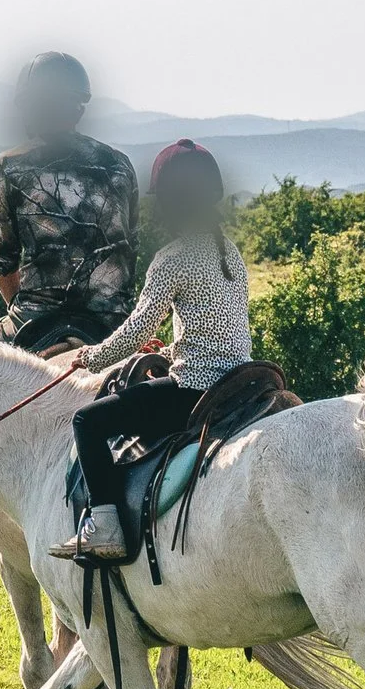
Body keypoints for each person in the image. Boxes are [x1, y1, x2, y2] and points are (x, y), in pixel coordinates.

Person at [0, 51, 140, 572]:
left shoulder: (10, 166)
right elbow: (128, 248)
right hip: (114, 323)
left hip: (36, 318)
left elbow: (5, 261)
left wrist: (27, 315)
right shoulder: (119, 166)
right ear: (79, 107)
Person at [54, 139, 252, 562]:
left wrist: (89, 357)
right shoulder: (228, 252)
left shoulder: (173, 257)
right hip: (241, 384)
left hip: (195, 389)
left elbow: (134, 331)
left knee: (87, 421)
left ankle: (104, 526)